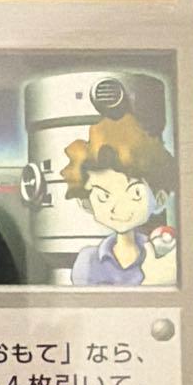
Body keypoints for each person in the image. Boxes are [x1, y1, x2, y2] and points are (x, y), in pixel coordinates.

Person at [62, 113, 177, 286]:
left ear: (160, 198)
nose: (118, 207)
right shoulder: (88, 262)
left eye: (136, 193)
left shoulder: (160, 255)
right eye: (104, 196)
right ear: (86, 203)